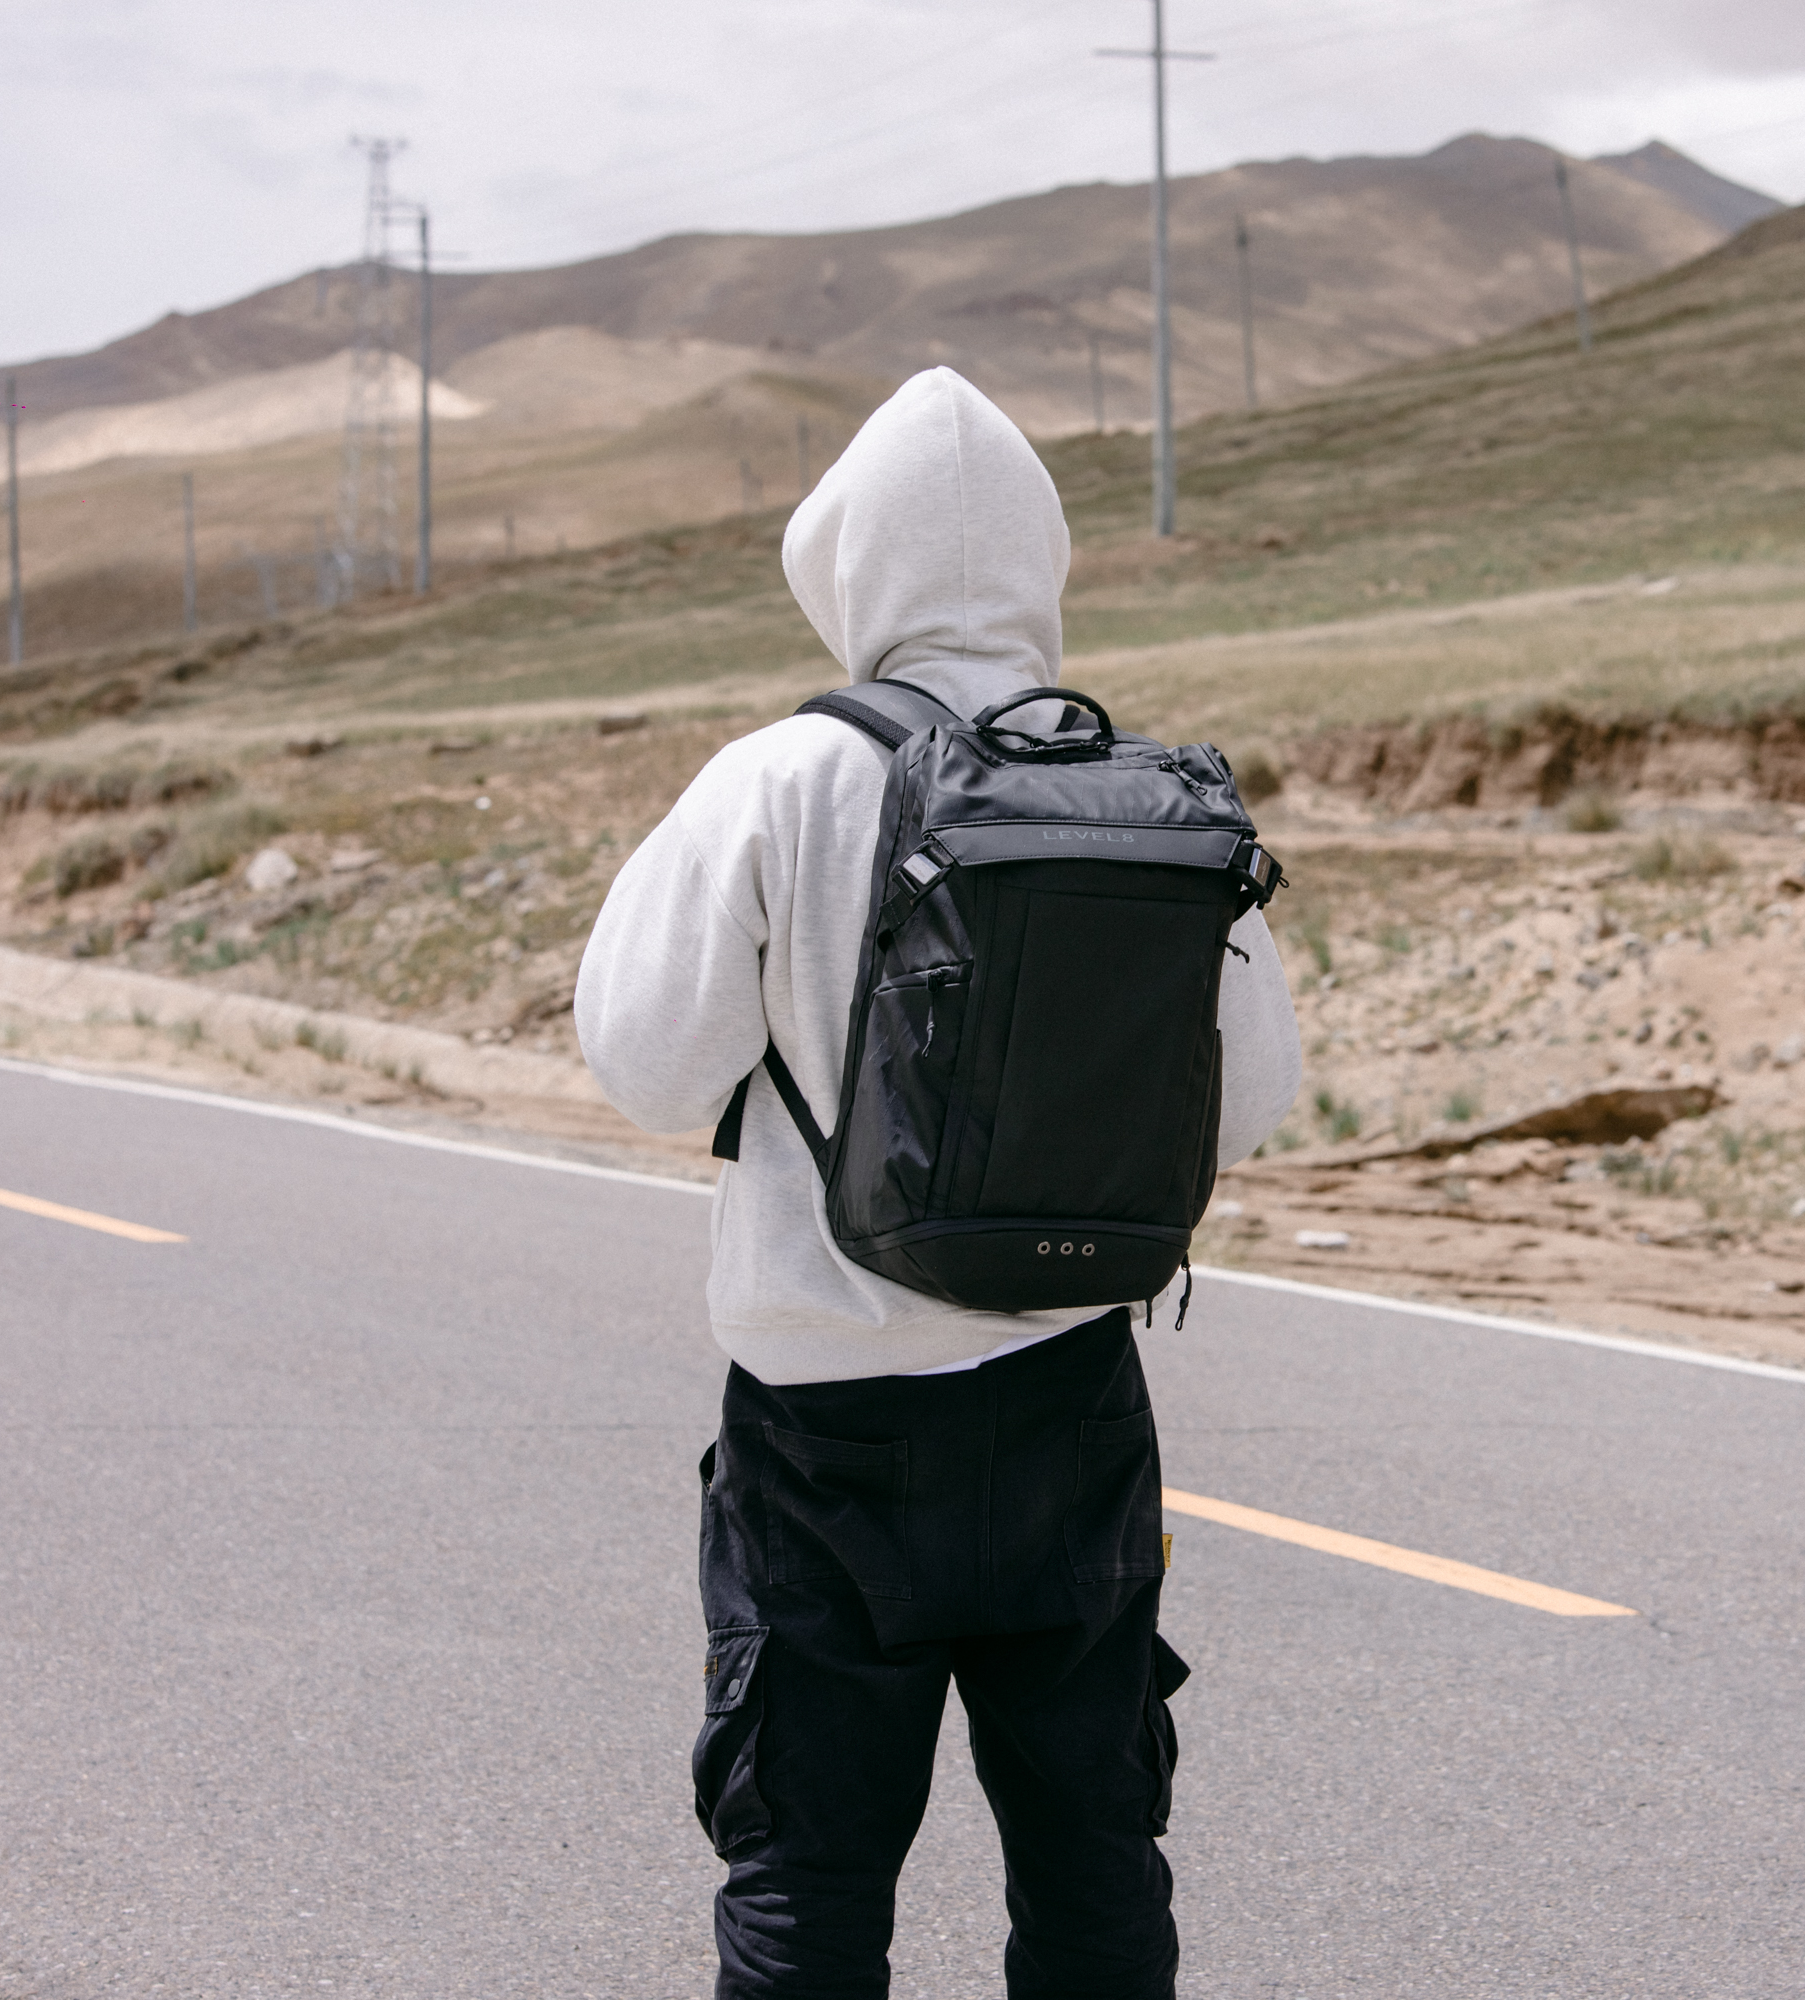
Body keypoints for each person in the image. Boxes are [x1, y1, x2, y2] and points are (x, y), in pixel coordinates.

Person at [575, 366, 1303, 2000]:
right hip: (1071, 1398)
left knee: (808, 1879)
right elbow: (1250, 1096)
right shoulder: (1151, 795)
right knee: (1094, 1863)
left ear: (842, 563)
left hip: (826, 1418)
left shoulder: (777, 780)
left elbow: (651, 1068)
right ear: (1044, 561)